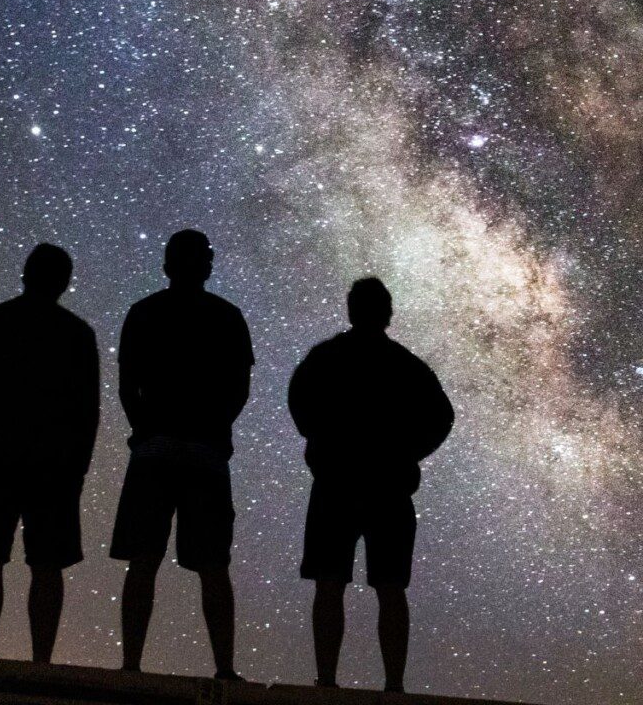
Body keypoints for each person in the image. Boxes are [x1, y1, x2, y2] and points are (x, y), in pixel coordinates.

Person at [288, 277, 454, 693]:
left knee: (330, 584)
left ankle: (326, 680)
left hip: (336, 484)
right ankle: (393, 685)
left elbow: (298, 401)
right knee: (390, 588)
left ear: (351, 310)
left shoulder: (324, 358)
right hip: (388, 488)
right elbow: (442, 417)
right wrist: (408, 453)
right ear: (388, 314)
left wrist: (320, 445)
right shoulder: (408, 366)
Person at [109, 229, 255, 680]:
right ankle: (224, 669)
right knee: (213, 564)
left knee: (144, 559)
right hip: (205, 454)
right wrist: (216, 429)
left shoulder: (144, 313)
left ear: (167, 264)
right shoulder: (227, 317)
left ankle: (132, 664)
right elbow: (238, 389)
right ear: (206, 265)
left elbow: (127, 384)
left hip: (154, 450)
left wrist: (143, 427)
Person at [0, 243, 99, 663]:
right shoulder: (77, 334)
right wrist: (79, 468)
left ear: (25, 274)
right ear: (64, 282)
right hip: (54, 462)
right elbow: (88, 411)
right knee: (47, 565)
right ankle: (41, 661)